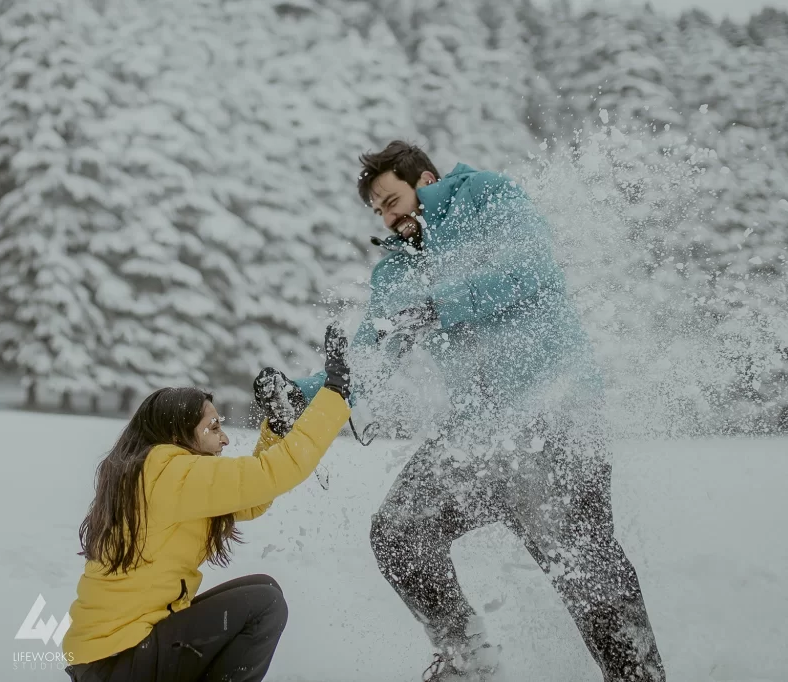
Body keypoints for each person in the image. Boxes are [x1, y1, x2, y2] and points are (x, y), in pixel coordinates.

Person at [267, 141, 665, 681]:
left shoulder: (485, 196)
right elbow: (368, 358)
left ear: (425, 180)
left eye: (392, 199)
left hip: (553, 416)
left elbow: (532, 269)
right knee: (399, 532)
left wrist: (439, 307)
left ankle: (639, 677)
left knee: (585, 570)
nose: (388, 215)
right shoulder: (396, 274)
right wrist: (304, 395)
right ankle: (467, 660)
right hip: (479, 436)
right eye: (378, 210)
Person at [61, 327, 352, 682]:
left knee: (264, 590)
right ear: (176, 435)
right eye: (213, 427)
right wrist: (334, 394)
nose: (225, 437)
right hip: (117, 660)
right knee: (264, 606)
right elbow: (273, 474)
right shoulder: (169, 473)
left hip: (114, 657)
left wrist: (275, 427)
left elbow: (252, 498)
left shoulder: (157, 473)